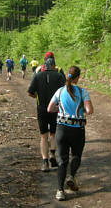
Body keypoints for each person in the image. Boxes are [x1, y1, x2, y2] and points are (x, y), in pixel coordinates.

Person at [48, 66, 93, 201]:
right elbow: (89, 110)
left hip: (61, 129)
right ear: (78, 77)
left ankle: (60, 191)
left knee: (62, 161)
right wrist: (81, 110)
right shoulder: (82, 92)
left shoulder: (60, 91)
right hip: (77, 129)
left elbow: (50, 108)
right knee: (76, 155)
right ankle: (71, 176)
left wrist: (60, 109)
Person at [28, 57, 66, 172]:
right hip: (55, 109)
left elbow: (30, 92)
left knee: (43, 136)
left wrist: (37, 97)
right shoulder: (59, 76)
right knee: (53, 134)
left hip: (42, 108)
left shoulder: (37, 76)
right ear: (54, 66)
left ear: (44, 66)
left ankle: (45, 162)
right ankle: (52, 155)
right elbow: (64, 92)